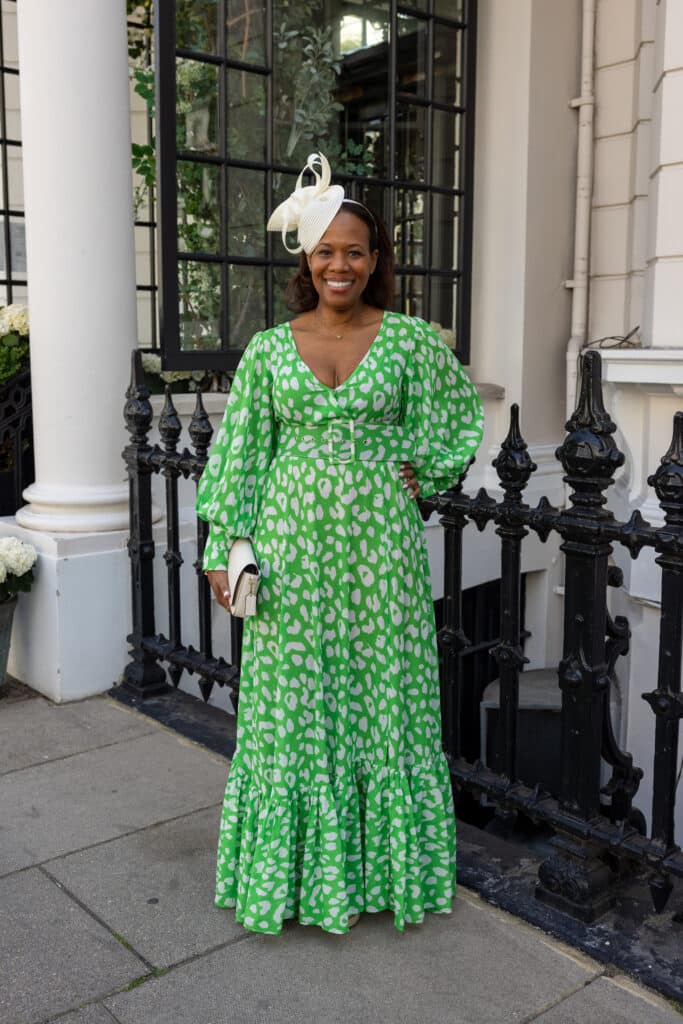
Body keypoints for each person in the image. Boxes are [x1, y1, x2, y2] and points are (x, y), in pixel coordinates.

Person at [196, 152, 484, 936]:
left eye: (355, 250)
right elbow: (240, 456)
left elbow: (458, 419)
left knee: (384, 704)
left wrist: (419, 469)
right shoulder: (266, 350)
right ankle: (294, 880)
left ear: (375, 261)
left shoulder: (410, 342)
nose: (340, 264)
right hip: (288, 560)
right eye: (326, 249)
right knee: (292, 712)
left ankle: (381, 879)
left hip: (379, 559)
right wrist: (224, 545)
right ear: (306, 258)